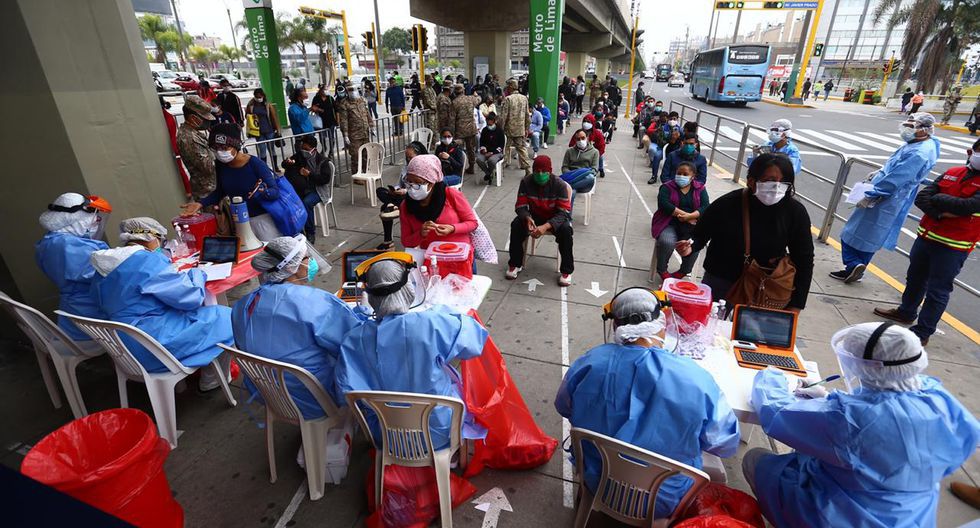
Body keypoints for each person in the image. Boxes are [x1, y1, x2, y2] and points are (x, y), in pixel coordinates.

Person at [742, 322, 979, 528]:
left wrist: (771, 374)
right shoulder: (937, 396)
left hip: (839, 516)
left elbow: (776, 414)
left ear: (868, 367)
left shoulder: (849, 418)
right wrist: (827, 399)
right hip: (912, 514)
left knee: (755, 459)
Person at [556, 288, 739, 519]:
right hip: (664, 499)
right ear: (662, 322)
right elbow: (725, 444)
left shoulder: (590, 362)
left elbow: (563, 406)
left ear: (614, 325)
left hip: (598, 481)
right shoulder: (697, 379)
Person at [335, 255, 488, 450]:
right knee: (457, 384)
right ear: (409, 289)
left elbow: (344, 394)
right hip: (438, 432)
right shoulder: (434, 323)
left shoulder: (353, 340)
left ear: (371, 297)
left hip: (386, 435)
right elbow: (475, 344)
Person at [89, 218, 232, 391]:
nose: (162, 247)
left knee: (200, 318)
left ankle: (181, 384)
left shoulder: (104, 265)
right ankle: (211, 380)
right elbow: (189, 297)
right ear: (151, 237)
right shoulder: (145, 261)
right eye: (162, 241)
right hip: (153, 346)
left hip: (123, 349)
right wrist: (197, 273)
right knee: (226, 317)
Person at [232, 235, 362, 412]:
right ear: (293, 267)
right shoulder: (315, 303)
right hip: (315, 395)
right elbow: (355, 341)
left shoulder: (243, 305)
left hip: (271, 394)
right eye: (307, 258)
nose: (312, 262)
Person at [873, 137, 980, 346]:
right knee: (915, 278)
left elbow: (967, 206)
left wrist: (938, 201)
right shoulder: (953, 172)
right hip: (927, 236)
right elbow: (923, 197)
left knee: (937, 290)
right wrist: (941, 213)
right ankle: (906, 312)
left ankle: (923, 332)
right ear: (971, 151)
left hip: (954, 245)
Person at [677, 154, 814, 311]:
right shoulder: (727, 204)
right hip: (722, 283)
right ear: (751, 181)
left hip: (766, 288)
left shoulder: (795, 212)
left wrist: (796, 305)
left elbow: (804, 259)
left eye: (783, 182)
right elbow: (699, 234)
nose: (776, 187)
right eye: (769, 180)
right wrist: (689, 247)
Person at [834, 113, 940, 283]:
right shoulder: (915, 144)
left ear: (925, 130)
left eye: (912, 126)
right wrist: (879, 173)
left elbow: (896, 179)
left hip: (886, 198)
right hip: (888, 197)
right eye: (906, 124)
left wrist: (871, 194)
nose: (906, 129)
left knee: (851, 233)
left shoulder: (919, 153)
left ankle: (853, 264)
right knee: (870, 236)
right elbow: (894, 167)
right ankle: (856, 268)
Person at [181, 123, 293, 240]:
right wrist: (200, 203)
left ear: (236, 146)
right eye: (216, 148)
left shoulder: (255, 164)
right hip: (240, 222)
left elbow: (275, 191)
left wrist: (262, 192)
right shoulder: (221, 166)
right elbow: (220, 191)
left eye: (224, 148)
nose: (220, 152)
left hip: (264, 221)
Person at [36, 193, 113, 342]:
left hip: (74, 310)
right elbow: (107, 272)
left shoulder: (49, 242)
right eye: (94, 220)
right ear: (76, 219)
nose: (97, 222)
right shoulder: (70, 246)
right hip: (92, 314)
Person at [506, 156, 575, 286]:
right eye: (537, 171)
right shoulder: (526, 182)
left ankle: (566, 271)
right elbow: (520, 206)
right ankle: (515, 263)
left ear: (550, 172)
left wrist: (546, 226)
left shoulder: (559, 185)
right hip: (534, 216)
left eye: (544, 171)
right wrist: (527, 218)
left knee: (566, 231)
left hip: (555, 218)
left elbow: (564, 213)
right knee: (516, 225)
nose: (540, 174)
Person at [399, 154, 478, 251]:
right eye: (409, 181)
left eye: (418, 183)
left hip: (460, 254)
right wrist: (420, 234)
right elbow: (406, 241)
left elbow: (472, 223)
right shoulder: (406, 206)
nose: (412, 186)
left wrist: (452, 228)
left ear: (432, 182)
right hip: (432, 258)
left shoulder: (450, 195)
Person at [651, 162, 710, 280]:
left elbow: (705, 207)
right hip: (668, 222)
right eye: (679, 173)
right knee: (666, 241)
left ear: (693, 176)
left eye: (685, 174)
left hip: (691, 226)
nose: (681, 176)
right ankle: (662, 270)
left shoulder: (700, 189)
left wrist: (690, 216)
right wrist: (686, 216)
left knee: (692, 244)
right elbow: (664, 205)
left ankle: (683, 271)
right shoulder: (667, 187)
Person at [376, 141, 427, 250]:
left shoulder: (424, 168)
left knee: (384, 208)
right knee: (380, 190)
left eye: (411, 157)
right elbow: (399, 183)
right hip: (401, 195)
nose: (408, 160)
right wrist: (395, 190)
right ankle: (392, 205)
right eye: (407, 157)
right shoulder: (405, 167)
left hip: (414, 197)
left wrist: (405, 191)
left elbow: (423, 190)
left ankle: (388, 242)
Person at [282, 135, 331, 242]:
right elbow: (285, 164)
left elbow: (325, 179)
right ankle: (298, 231)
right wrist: (287, 163)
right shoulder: (299, 156)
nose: (304, 151)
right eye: (302, 148)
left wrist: (309, 174)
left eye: (306, 149)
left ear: (313, 149)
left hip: (318, 190)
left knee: (306, 203)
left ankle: (310, 232)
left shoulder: (322, 161)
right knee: (292, 202)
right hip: (303, 188)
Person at [177, 95, 218, 199]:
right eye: (204, 119)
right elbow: (208, 167)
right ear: (193, 118)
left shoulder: (193, 133)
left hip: (211, 188)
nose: (208, 122)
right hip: (207, 192)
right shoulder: (189, 138)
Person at [335, 81, 374, 174]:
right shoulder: (344, 104)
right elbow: (344, 120)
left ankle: (366, 172)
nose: (353, 91)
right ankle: (357, 175)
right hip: (354, 135)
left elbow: (367, 114)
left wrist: (372, 126)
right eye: (350, 90)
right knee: (356, 156)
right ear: (347, 91)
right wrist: (345, 135)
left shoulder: (362, 100)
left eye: (354, 89)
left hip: (365, 133)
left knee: (366, 154)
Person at [160, 97, 191, 198]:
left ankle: (188, 190)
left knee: (179, 170)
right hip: (171, 146)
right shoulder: (165, 116)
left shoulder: (166, 117)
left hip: (172, 147)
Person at [500, 79, 532, 177]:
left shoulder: (508, 99)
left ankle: (502, 169)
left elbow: (503, 116)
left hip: (508, 130)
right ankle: (527, 169)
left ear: (510, 87)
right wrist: (526, 128)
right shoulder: (524, 98)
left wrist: (500, 129)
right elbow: (527, 115)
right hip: (520, 129)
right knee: (522, 149)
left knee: (505, 148)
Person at [245, 88, 282, 170]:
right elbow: (247, 116)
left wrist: (278, 129)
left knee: (272, 149)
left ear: (263, 96)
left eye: (260, 96)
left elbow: (274, 117)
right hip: (258, 132)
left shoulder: (267, 105)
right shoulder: (251, 105)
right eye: (257, 97)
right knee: (262, 150)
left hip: (269, 130)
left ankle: (275, 166)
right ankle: (264, 168)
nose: (259, 98)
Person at [560, 130, 598, 202]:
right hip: (571, 177)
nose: (581, 141)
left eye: (583, 138)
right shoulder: (569, 151)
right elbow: (564, 167)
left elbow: (594, 169)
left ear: (587, 138)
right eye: (578, 139)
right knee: (572, 193)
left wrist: (581, 174)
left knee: (591, 177)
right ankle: (567, 213)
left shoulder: (595, 152)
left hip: (585, 182)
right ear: (575, 140)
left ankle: (564, 187)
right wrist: (572, 174)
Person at [449, 85, 479, 174]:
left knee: (458, 149)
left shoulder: (454, 102)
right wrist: (476, 95)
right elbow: (479, 99)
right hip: (471, 129)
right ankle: (472, 166)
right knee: (471, 149)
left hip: (460, 130)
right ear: (463, 91)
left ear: (455, 92)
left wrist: (451, 133)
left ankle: (459, 167)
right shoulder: (471, 99)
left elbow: (451, 119)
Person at [571, 113, 606, 178]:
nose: (586, 123)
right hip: (580, 151)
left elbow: (602, 146)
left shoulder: (597, 134)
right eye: (584, 121)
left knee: (600, 157)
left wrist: (597, 154)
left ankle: (601, 169)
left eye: (588, 122)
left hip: (594, 153)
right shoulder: (579, 133)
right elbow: (572, 144)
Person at [476, 112, 505, 184]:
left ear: (494, 121)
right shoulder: (485, 130)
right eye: (487, 120)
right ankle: (489, 173)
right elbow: (482, 142)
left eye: (490, 120)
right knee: (479, 160)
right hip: (486, 152)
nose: (489, 122)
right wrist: (484, 150)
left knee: (491, 160)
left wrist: (492, 152)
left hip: (496, 152)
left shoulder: (500, 131)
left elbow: (501, 145)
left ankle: (488, 174)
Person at [310, 84, 338, 156]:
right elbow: (313, 108)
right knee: (322, 137)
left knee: (331, 137)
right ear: (321, 90)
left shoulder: (330, 98)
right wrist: (319, 109)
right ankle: (324, 147)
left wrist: (338, 120)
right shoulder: (316, 98)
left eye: (327, 89)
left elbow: (336, 110)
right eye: (325, 89)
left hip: (331, 121)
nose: (326, 91)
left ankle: (331, 151)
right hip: (320, 122)